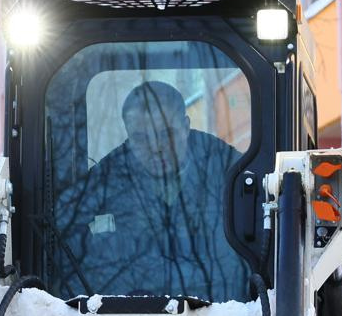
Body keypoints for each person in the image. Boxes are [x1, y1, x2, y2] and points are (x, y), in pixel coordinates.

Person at [52, 80, 249, 300]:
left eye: (167, 134)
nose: (156, 148)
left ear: (185, 127)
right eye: (140, 138)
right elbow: (63, 230)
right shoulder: (105, 182)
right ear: (128, 137)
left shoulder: (231, 176)